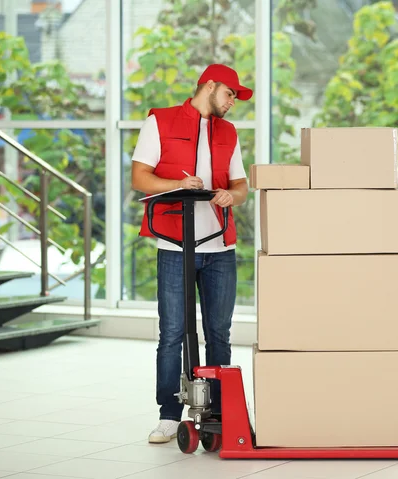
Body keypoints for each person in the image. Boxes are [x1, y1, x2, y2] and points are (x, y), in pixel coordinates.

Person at [130, 64, 251, 444]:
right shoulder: (160, 122)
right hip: (174, 244)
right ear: (210, 86)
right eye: (230, 93)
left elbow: (241, 183)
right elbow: (140, 177)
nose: (233, 102)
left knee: (219, 333)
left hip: (219, 246)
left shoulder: (228, 133)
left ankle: (218, 412)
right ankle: (169, 415)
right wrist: (178, 184)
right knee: (172, 333)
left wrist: (234, 194)